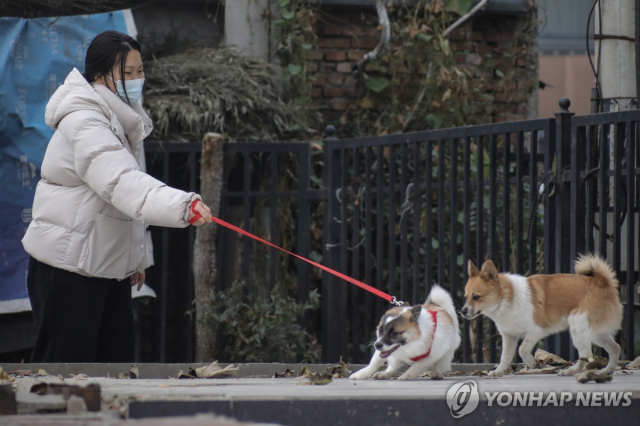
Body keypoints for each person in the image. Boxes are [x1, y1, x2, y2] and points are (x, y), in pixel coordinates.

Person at [21, 30, 213, 363]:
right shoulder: (86, 121)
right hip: (68, 266)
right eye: (127, 73)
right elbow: (123, 184)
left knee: (113, 367)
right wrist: (183, 206)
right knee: (63, 375)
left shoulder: (120, 119)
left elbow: (124, 196)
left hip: (104, 264)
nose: (137, 79)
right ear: (99, 75)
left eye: (140, 71)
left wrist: (136, 259)